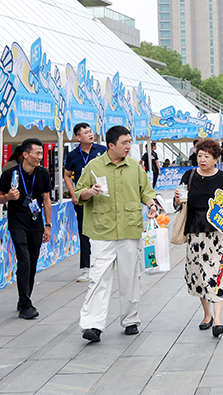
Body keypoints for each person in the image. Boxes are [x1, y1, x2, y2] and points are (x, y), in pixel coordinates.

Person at [76, 125, 158, 341]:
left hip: (130, 229)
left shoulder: (134, 167)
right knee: (98, 278)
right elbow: (78, 193)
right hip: (101, 230)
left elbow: (146, 191)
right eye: (124, 143)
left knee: (130, 277)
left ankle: (131, 320)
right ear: (111, 145)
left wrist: (151, 205)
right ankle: (92, 325)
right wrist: (90, 192)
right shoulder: (93, 166)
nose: (128, 146)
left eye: (130, 142)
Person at [174, 138, 223, 338]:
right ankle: (207, 314)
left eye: (207, 156)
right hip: (195, 232)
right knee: (198, 274)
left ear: (216, 159)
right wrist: (177, 199)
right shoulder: (189, 175)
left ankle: (218, 320)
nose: (202, 159)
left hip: (217, 233)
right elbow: (179, 202)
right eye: (200, 155)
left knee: (216, 273)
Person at [0, 138, 53, 319]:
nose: (40, 157)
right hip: (17, 223)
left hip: (36, 223)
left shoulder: (43, 173)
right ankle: (26, 305)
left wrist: (48, 225)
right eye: (37, 153)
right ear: (25, 154)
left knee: (32, 263)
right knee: (24, 261)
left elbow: (46, 200)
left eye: (41, 153)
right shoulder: (9, 174)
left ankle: (23, 298)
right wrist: (8, 197)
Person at [63, 122, 107, 283]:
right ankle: (86, 268)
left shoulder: (102, 150)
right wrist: (73, 193)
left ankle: (102, 264)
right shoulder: (73, 155)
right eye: (86, 132)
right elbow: (67, 175)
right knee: (84, 232)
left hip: (102, 197)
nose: (90, 134)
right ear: (78, 137)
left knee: (103, 229)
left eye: (91, 131)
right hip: (83, 198)